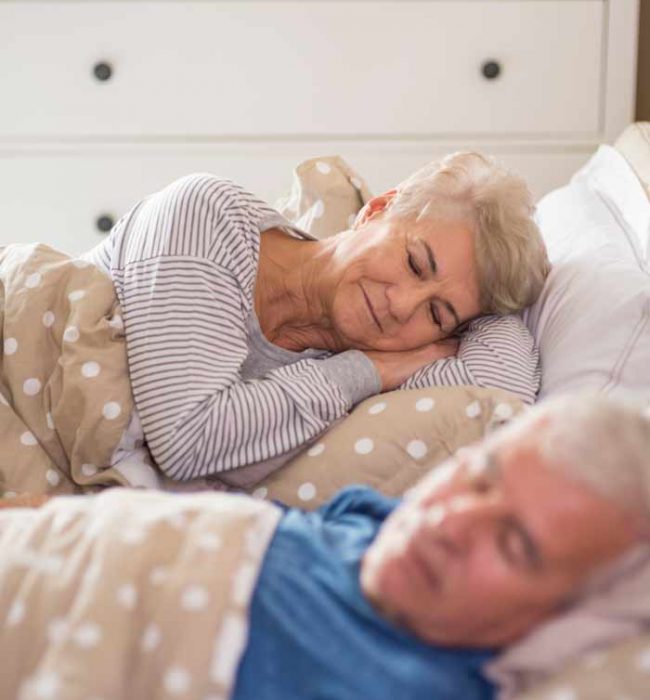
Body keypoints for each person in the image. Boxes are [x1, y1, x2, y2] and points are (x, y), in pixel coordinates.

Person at [3, 395, 648, 700]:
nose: (452, 523)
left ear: (556, 620)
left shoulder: (413, 687)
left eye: (514, 545)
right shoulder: (369, 521)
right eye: (477, 478)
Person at [82, 152, 550, 484]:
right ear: (378, 209)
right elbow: (187, 440)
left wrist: (493, 309)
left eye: (436, 312)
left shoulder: (363, 358)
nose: (401, 306)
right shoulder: (206, 215)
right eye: (414, 262)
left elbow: (500, 406)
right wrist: (371, 370)